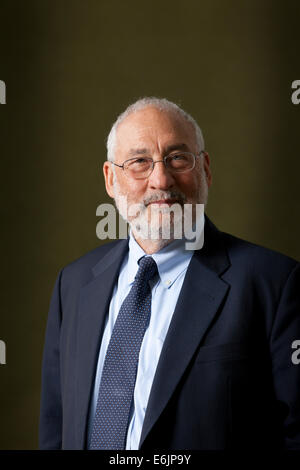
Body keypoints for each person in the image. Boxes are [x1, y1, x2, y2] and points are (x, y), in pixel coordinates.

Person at [39, 97, 300, 450]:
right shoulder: (73, 284)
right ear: (110, 179)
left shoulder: (276, 284)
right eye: (139, 162)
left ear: (205, 168)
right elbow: (55, 426)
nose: (161, 179)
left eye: (178, 158)